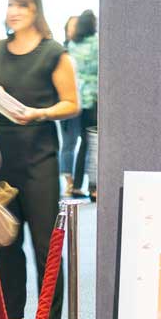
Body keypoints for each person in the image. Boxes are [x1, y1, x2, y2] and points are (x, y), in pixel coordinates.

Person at [0, 0, 79, 319]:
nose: (13, 11)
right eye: (9, 4)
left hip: (41, 155)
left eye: (20, 5)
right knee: (5, 243)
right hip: (4, 155)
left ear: (35, 9)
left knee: (45, 246)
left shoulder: (54, 53)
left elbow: (71, 103)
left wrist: (39, 112)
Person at [68, 10, 99, 200]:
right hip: (94, 99)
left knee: (82, 144)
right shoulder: (97, 43)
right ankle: (94, 187)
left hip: (77, 98)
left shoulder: (72, 44)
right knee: (94, 143)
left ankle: (77, 185)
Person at [58, 15, 80, 195]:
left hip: (86, 104)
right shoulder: (62, 51)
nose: (74, 29)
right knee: (68, 144)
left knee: (86, 145)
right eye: (71, 26)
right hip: (64, 104)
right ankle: (68, 182)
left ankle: (78, 182)